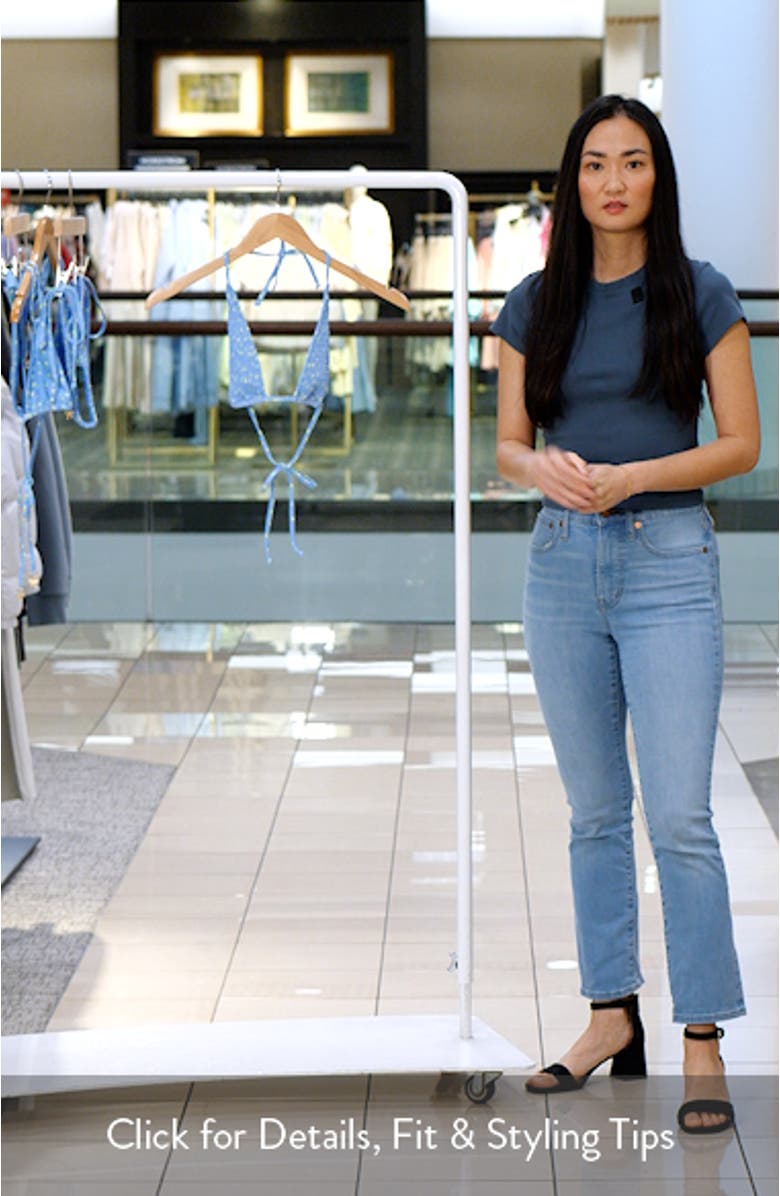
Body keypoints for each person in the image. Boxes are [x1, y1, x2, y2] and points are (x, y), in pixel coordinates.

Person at [493, 94, 760, 1135]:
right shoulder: (534, 302)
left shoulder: (701, 291)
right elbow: (508, 444)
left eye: (634, 161)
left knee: (681, 816)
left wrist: (636, 474)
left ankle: (702, 1036)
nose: (614, 181)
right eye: (597, 163)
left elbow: (740, 442)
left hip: (670, 561)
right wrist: (544, 471)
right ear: (573, 181)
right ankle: (610, 1014)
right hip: (561, 564)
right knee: (594, 812)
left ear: (659, 177)